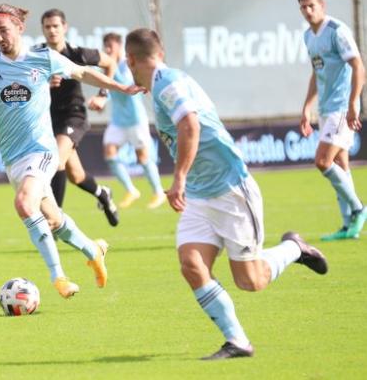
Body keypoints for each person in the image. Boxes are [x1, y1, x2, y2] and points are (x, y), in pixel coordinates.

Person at [124, 28, 328, 360]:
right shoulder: (162, 83)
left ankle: (295, 247)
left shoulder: (168, 83)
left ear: (130, 59)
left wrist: (179, 178)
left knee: (251, 281)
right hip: (202, 195)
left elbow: (191, 125)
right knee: (191, 264)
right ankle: (238, 341)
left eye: (128, 64)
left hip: (231, 189)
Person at [0, 4, 141, 298]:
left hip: (42, 150)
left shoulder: (43, 57)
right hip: (13, 158)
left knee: (24, 204)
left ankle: (58, 277)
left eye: (4, 30)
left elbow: (83, 73)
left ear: (20, 28)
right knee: (54, 219)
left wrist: (121, 88)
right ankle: (93, 249)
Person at [298, 0, 366, 241]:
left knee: (323, 161)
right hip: (326, 109)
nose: (307, 11)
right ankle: (348, 226)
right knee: (340, 164)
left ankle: (359, 208)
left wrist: (353, 104)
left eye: (311, 6)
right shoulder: (308, 37)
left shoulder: (338, 31)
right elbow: (317, 73)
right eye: (303, 7)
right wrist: (307, 107)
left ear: (322, 5)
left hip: (341, 108)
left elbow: (358, 66)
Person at [40, 9, 119, 226]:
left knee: (55, 160)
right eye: (47, 27)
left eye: (56, 26)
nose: (52, 30)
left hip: (74, 116)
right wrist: (44, 84)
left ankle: (55, 219)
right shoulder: (38, 55)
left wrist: (103, 95)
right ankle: (103, 193)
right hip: (49, 121)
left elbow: (110, 62)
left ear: (64, 27)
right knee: (76, 175)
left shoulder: (77, 54)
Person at [88, 32, 166, 209]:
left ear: (119, 47)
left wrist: (112, 65)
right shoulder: (107, 68)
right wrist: (99, 103)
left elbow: (128, 86)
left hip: (135, 119)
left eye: (111, 46)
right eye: (105, 46)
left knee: (143, 156)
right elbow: (106, 90)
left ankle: (158, 191)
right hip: (117, 120)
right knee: (109, 151)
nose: (108, 50)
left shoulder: (126, 65)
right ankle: (131, 190)